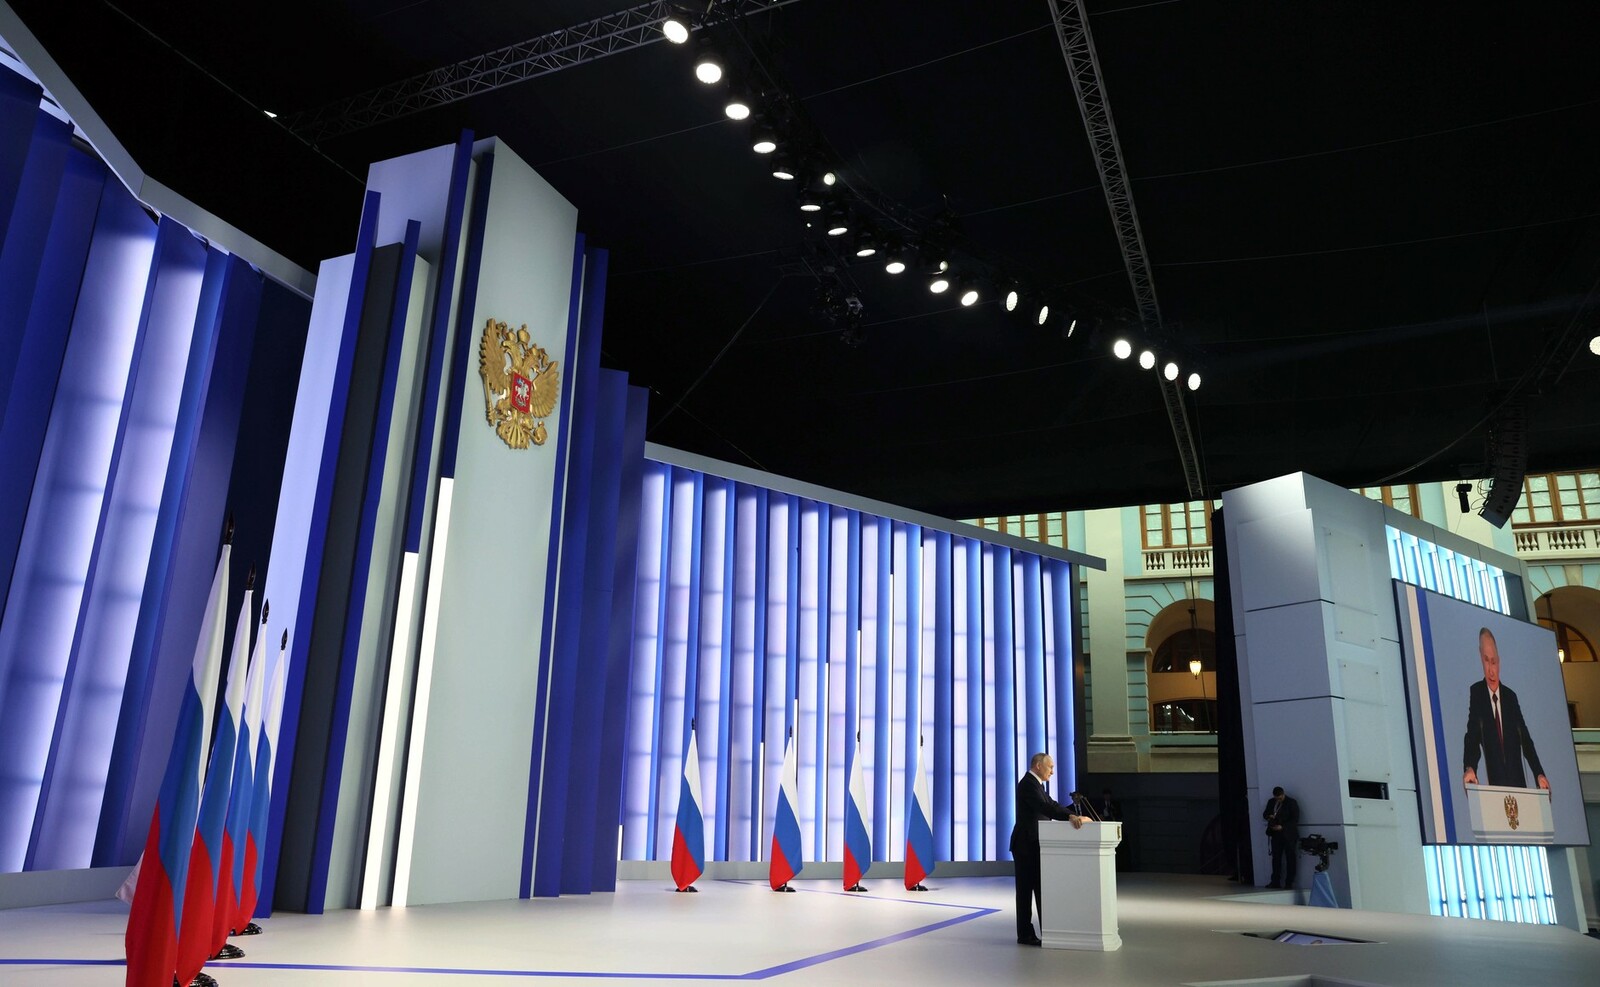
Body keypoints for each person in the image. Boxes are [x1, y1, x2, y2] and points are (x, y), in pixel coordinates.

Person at [1010, 752, 1084, 946]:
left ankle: (1044, 931)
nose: (1052, 771)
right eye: (1050, 767)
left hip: (1033, 843)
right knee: (1026, 891)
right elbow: (1044, 806)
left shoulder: (1036, 785)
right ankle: (1025, 934)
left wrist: (1072, 814)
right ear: (1038, 766)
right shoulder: (1028, 784)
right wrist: (1069, 817)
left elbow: (1051, 804)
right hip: (1026, 844)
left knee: (1037, 888)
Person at [1462, 626, 1548, 791]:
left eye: (1493, 662)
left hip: (1519, 788)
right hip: (1496, 789)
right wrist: (1470, 767)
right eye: (1486, 661)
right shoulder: (1477, 693)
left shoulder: (1510, 697)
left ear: (1499, 661)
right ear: (1480, 658)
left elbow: (1525, 739)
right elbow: (1472, 737)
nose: (1491, 670)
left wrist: (1539, 773)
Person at [1262, 786, 1298, 889]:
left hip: (1288, 835)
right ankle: (1275, 881)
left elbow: (1295, 819)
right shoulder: (1271, 802)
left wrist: (1283, 826)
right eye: (1276, 798)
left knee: (1290, 858)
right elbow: (1265, 814)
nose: (1278, 799)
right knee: (1276, 858)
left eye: (1280, 798)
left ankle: (1289, 883)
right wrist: (1269, 817)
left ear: (1283, 794)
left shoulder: (1291, 802)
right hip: (1276, 834)